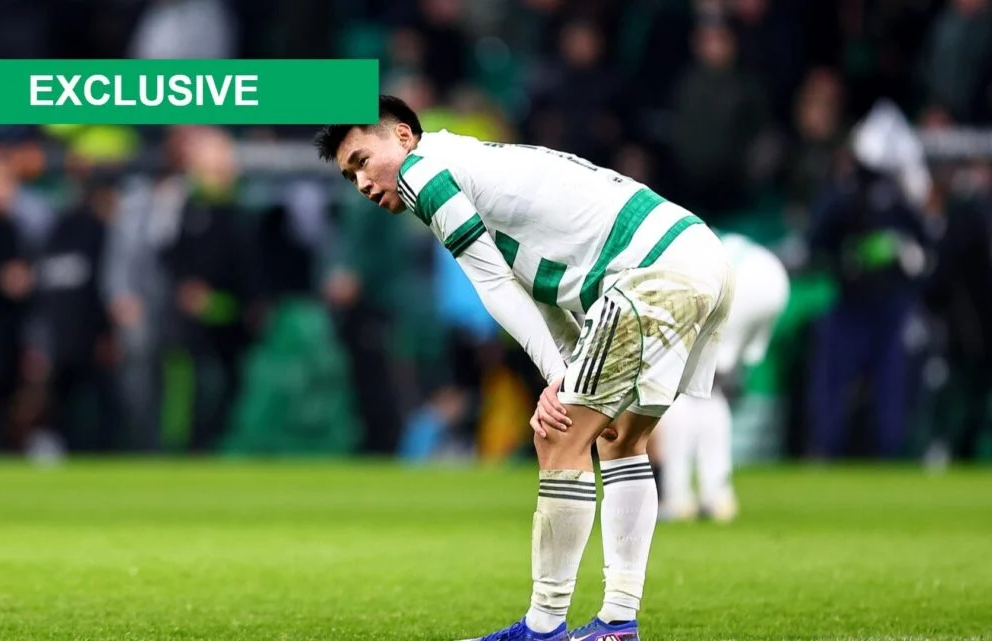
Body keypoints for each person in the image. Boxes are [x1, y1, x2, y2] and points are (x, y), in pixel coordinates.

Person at [315, 95, 734, 641]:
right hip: (698, 255)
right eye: (350, 176)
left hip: (652, 273)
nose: (362, 183)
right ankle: (617, 623)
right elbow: (541, 293)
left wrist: (557, 376)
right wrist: (566, 367)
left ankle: (543, 627)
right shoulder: (469, 164)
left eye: (362, 161)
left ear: (402, 136)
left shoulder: (423, 173)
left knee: (558, 435)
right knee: (620, 439)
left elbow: (493, 282)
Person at [650, 232, 790, 523]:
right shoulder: (698, 239)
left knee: (679, 386)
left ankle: (676, 496)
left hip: (732, 283)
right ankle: (717, 496)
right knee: (711, 388)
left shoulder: (666, 259)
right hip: (775, 281)